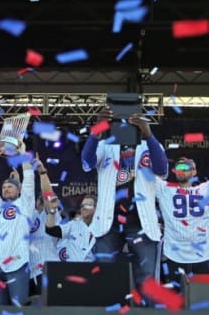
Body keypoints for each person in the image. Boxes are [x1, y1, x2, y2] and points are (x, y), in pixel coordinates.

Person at [81, 108, 168, 303]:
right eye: (121, 121)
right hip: (108, 222)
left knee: (146, 280)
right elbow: (86, 163)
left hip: (141, 222)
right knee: (104, 276)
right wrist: (96, 131)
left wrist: (148, 134)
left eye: (132, 121)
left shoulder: (149, 145)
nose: (126, 125)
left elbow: (162, 170)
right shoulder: (106, 145)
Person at [156, 157, 209, 280]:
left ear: (194, 171)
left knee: (203, 296)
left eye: (185, 167)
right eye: (178, 168)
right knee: (177, 297)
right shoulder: (165, 190)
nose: (180, 170)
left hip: (203, 256)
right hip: (174, 256)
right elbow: (145, 176)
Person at [0, 142, 35, 306]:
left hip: (17, 264)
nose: (6, 189)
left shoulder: (25, 203)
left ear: (19, 190)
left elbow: (29, 178)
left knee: (18, 308)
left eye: (10, 187)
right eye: (4, 187)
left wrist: (22, 154)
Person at [27, 157, 60, 296]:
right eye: (39, 198)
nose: (42, 200)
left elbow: (48, 195)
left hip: (49, 271)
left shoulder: (52, 214)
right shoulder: (27, 216)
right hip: (28, 275)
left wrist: (42, 172)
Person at [46, 195, 96, 262]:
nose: (84, 208)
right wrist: (52, 210)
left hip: (96, 270)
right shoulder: (73, 225)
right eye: (82, 206)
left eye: (88, 205)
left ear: (96, 209)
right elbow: (50, 230)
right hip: (72, 270)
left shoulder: (104, 228)